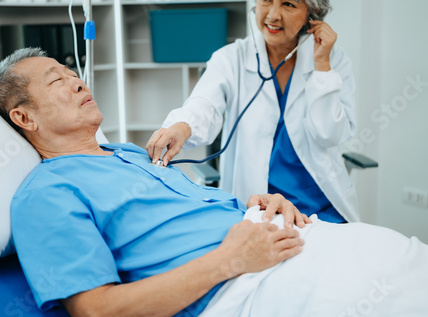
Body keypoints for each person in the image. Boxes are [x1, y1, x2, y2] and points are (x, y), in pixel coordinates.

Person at [0, 49, 428, 317]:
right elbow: (98, 315)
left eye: (72, 72)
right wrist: (232, 259)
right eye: (56, 80)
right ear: (25, 119)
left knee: (409, 260)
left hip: (287, 239)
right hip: (242, 290)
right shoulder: (47, 193)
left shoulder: (127, 154)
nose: (78, 81)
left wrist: (257, 204)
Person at [146, 0, 359, 223]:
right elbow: (203, 104)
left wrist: (322, 66)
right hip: (259, 208)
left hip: (320, 208)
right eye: (267, 0)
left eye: (288, 4)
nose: (273, 15)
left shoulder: (333, 59)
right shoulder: (230, 59)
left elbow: (330, 135)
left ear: (312, 15)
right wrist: (182, 126)